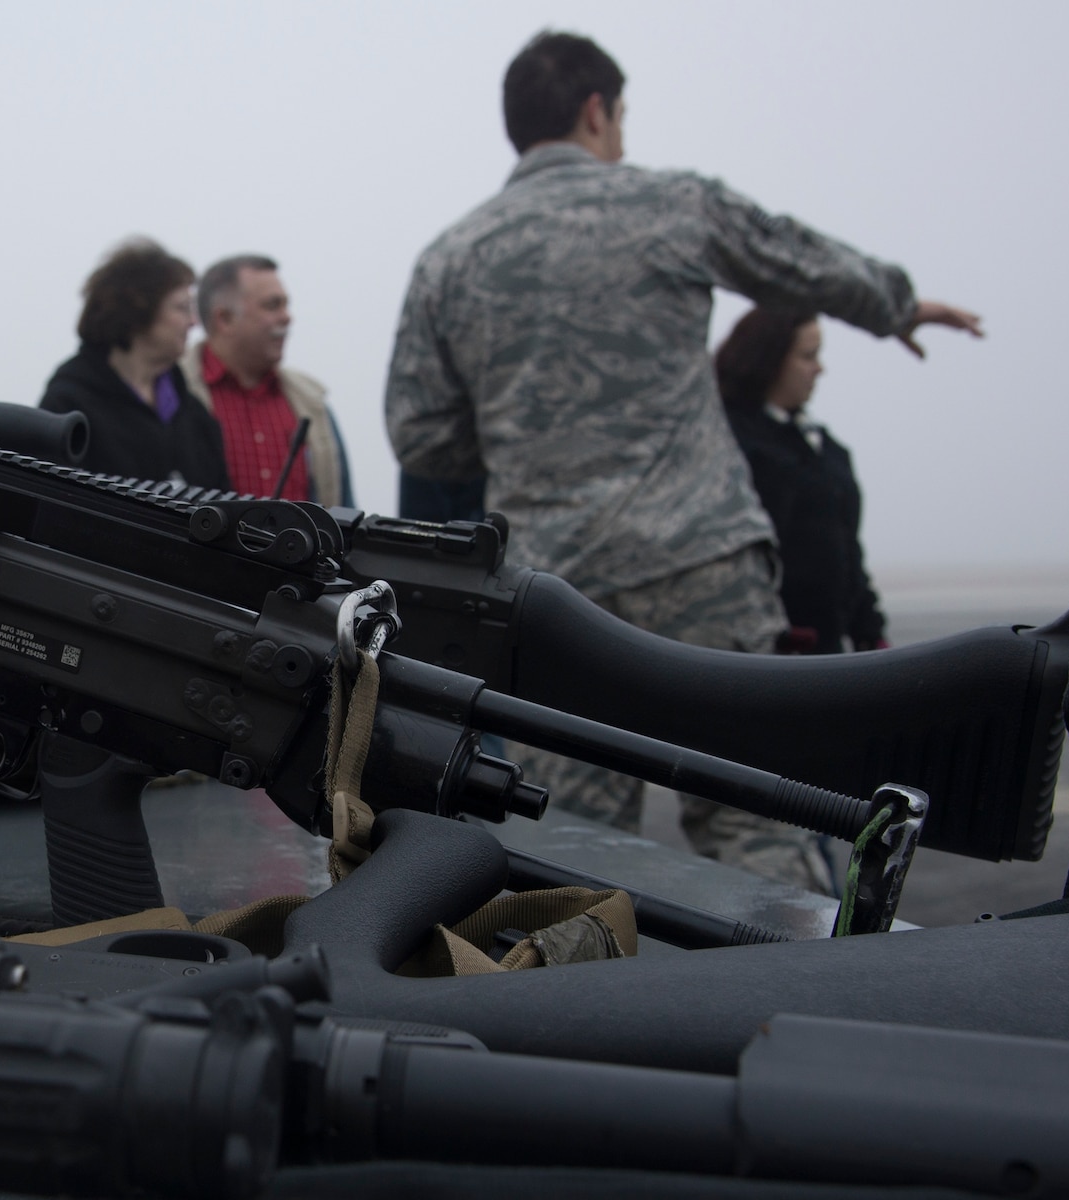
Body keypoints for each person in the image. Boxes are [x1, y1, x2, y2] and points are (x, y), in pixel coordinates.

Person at [384, 31, 981, 891]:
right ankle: (809, 999)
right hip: (702, 564)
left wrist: (535, 431)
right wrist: (897, 305)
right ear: (596, 111)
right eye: (621, 117)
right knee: (756, 817)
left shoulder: (450, 257)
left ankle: (575, 1012)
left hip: (561, 592)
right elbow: (801, 261)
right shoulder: (673, 205)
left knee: (575, 837)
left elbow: (423, 434)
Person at [717, 308, 887, 655]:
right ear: (769, 358)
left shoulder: (827, 448)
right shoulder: (725, 440)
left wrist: (869, 630)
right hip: (756, 653)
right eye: (808, 356)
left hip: (826, 650)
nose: (820, 369)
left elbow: (846, 550)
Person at [40, 240, 229, 488]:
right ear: (137, 311)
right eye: (182, 308)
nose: (193, 322)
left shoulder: (193, 414)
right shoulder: (68, 405)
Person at [178, 255, 353, 506]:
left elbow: (344, 509)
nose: (287, 317)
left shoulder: (311, 402)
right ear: (224, 319)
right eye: (272, 306)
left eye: (286, 305)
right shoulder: (171, 396)